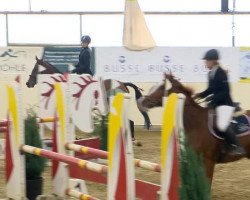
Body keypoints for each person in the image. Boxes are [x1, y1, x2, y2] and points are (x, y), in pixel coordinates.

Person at [193, 49, 245, 155]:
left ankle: (237, 146)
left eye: (207, 60)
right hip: (217, 103)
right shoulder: (210, 73)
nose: (205, 63)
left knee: (221, 125)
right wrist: (199, 95)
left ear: (213, 61)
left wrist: (213, 100)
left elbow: (225, 91)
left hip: (225, 104)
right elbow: (210, 89)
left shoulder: (221, 72)